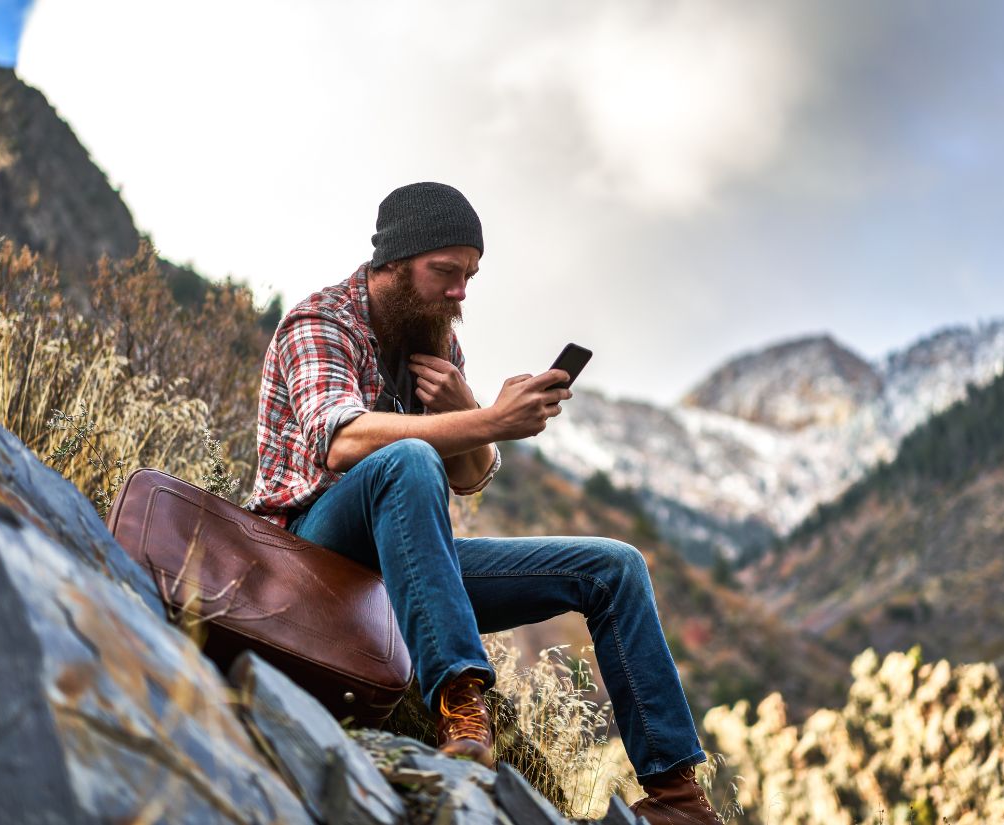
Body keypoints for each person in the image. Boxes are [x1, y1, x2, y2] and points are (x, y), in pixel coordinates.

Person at [246, 182, 721, 824]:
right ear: (393, 261)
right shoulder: (320, 324)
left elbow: (469, 477)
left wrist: (466, 408)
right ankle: (462, 709)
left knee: (614, 566)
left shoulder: (433, 342)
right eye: (445, 272)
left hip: (408, 567)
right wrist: (493, 419)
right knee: (407, 459)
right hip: (311, 554)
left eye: (469, 275)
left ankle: (677, 798)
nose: (460, 292)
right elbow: (344, 441)